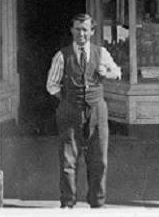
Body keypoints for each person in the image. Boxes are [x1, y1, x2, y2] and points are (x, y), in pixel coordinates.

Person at [46, 13, 122, 209]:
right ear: (72, 30)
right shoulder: (62, 56)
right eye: (78, 29)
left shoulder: (101, 53)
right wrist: (69, 100)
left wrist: (106, 73)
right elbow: (52, 86)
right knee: (68, 159)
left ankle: (97, 203)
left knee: (99, 159)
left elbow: (117, 72)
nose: (81, 34)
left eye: (85, 30)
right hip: (70, 110)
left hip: (97, 111)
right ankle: (68, 203)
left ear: (92, 31)